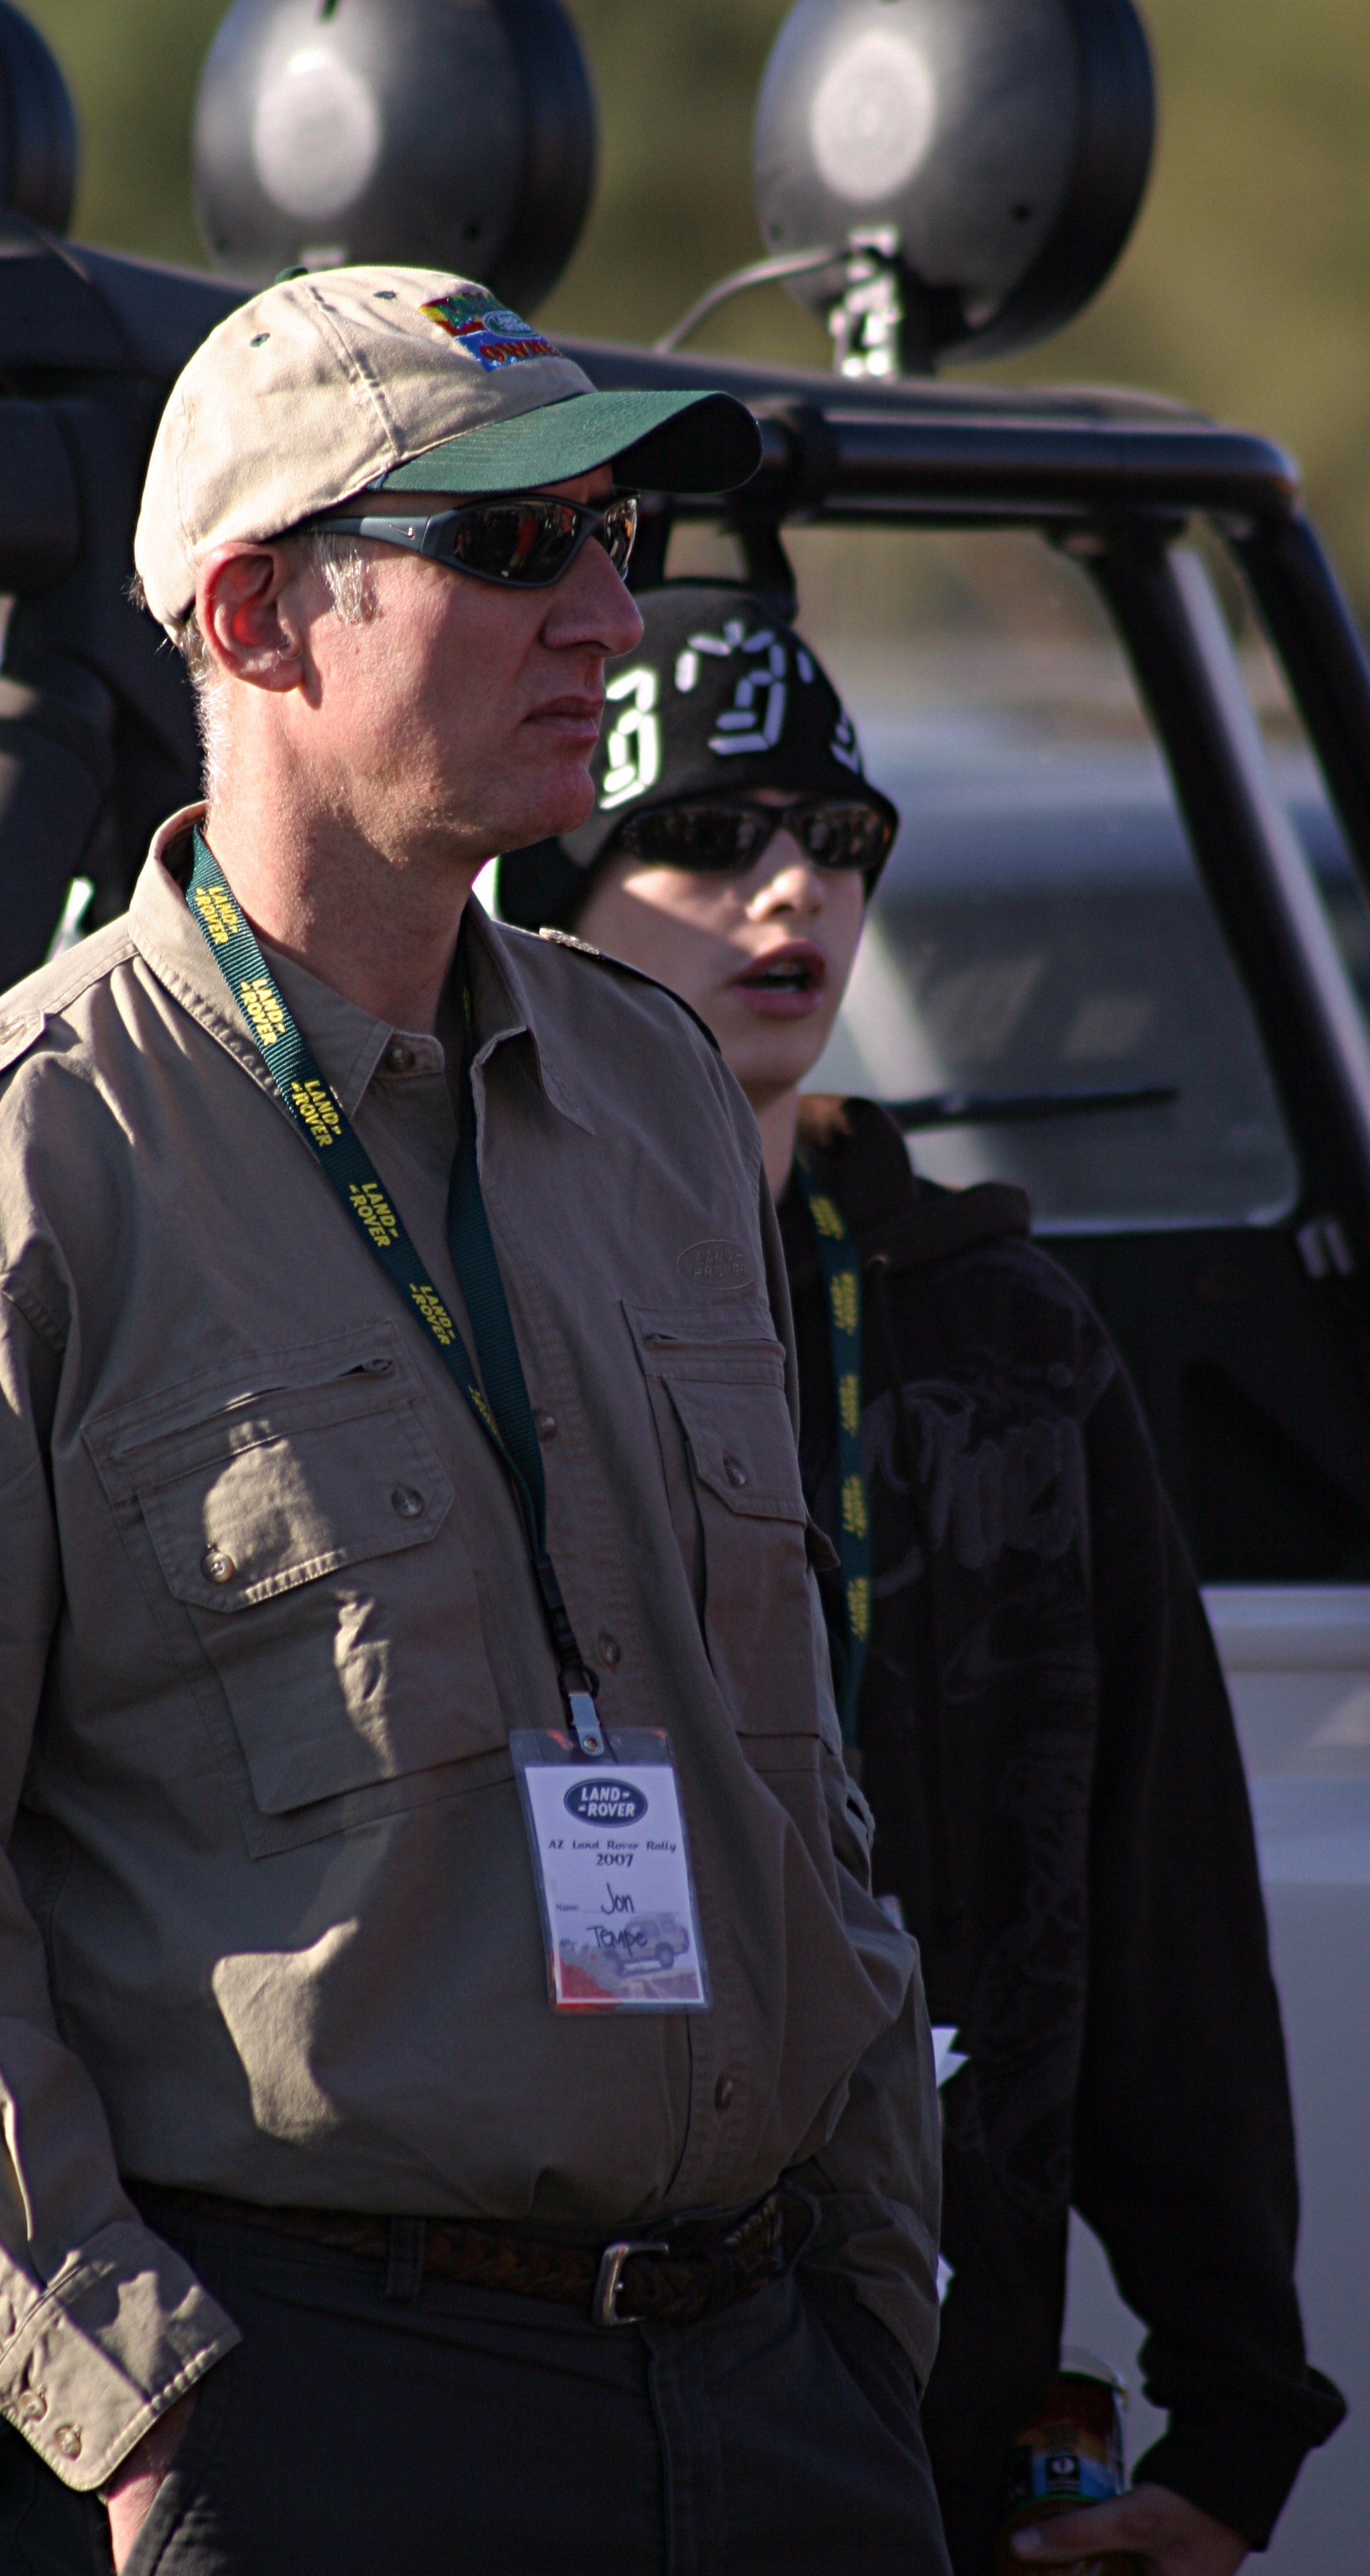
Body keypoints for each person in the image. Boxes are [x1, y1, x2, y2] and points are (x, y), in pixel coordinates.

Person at [0, 279, 950, 2575]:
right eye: (514, 546)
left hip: (776, 2392)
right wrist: (144, 2416)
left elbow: (791, 1766)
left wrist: (868, 2308)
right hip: (328, 2414)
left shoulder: (659, 1095)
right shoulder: (8, 1177)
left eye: (613, 539)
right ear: (257, 616)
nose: (608, 618)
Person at [497, 579, 1347, 2576]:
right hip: (541, 2379)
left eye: (838, 836)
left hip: (940, 2394)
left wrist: (1236, 2422)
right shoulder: (455, 1299)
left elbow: (1152, 1882)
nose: (789, 884)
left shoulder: (1003, 1336)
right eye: (707, 833)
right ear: (553, 901)